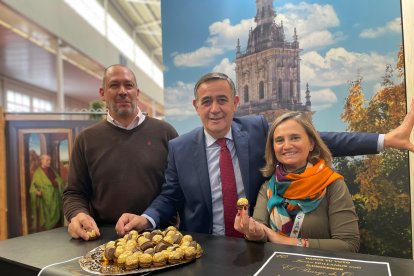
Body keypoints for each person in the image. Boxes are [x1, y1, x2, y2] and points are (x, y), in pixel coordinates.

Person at [130, 72, 414, 237]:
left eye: (222, 100)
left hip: (259, 243)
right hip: (207, 248)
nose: (214, 109)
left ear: (235, 103)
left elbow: (316, 140)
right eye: (206, 102)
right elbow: (170, 197)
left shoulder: (255, 130)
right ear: (196, 106)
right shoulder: (180, 148)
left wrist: (384, 140)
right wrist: (147, 219)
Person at [62, 64, 178, 240]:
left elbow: (176, 189)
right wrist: (77, 214)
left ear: (137, 92)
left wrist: (148, 219)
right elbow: (74, 193)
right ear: (102, 93)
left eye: (128, 85)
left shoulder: (165, 133)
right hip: (105, 240)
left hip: (161, 237)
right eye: (114, 85)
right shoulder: (86, 140)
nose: (122, 91)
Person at [234, 111, 359, 252]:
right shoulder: (269, 187)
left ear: (311, 143)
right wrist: (253, 232)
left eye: (295, 138)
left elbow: (349, 245)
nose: (287, 146)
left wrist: (282, 240)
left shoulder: (333, 184)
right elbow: (261, 232)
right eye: (279, 140)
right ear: (273, 148)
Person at [29, 154, 65, 232]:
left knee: (57, 225)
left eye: (50, 160)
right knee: (47, 225)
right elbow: (32, 188)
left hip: (55, 200)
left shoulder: (52, 170)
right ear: (41, 160)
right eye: (47, 160)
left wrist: (58, 182)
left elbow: (60, 181)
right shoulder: (37, 173)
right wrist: (36, 192)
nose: (49, 162)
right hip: (45, 201)